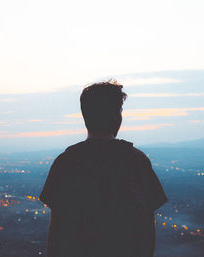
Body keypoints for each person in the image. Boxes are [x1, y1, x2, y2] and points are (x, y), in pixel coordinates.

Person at [39, 80, 167, 257]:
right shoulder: (136, 161)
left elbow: (56, 231)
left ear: (86, 116)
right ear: (116, 117)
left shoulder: (66, 163)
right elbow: (147, 229)